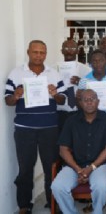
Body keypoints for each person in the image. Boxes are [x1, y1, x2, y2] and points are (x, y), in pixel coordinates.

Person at [4, 40, 66, 213]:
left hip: (49, 128)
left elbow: (63, 99)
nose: (39, 55)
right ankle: (24, 205)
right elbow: (7, 100)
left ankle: (52, 202)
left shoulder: (53, 74)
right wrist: (16, 95)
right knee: (25, 168)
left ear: (46, 54)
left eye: (42, 52)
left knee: (51, 167)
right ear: (28, 52)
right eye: (35, 52)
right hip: (24, 128)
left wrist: (55, 94)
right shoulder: (16, 73)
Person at [51, 89, 106, 214]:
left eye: (92, 99)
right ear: (80, 103)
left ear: (98, 102)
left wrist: (91, 168)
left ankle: (97, 212)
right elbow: (63, 150)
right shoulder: (71, 120)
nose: (89, 102)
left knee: (101, 186)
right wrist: (78, 169)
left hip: (99, 165)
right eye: (85, 100)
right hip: (74, 166)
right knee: (57, 187)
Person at [57, 39, 92, 133]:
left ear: (78, 51)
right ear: (62, 51)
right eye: (66, 48)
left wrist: (81, 82)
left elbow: (92, 91)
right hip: (60, 112)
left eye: (72, 48)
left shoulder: (86, 70)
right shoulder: (54, 69)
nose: (69, 50)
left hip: (79, 112)